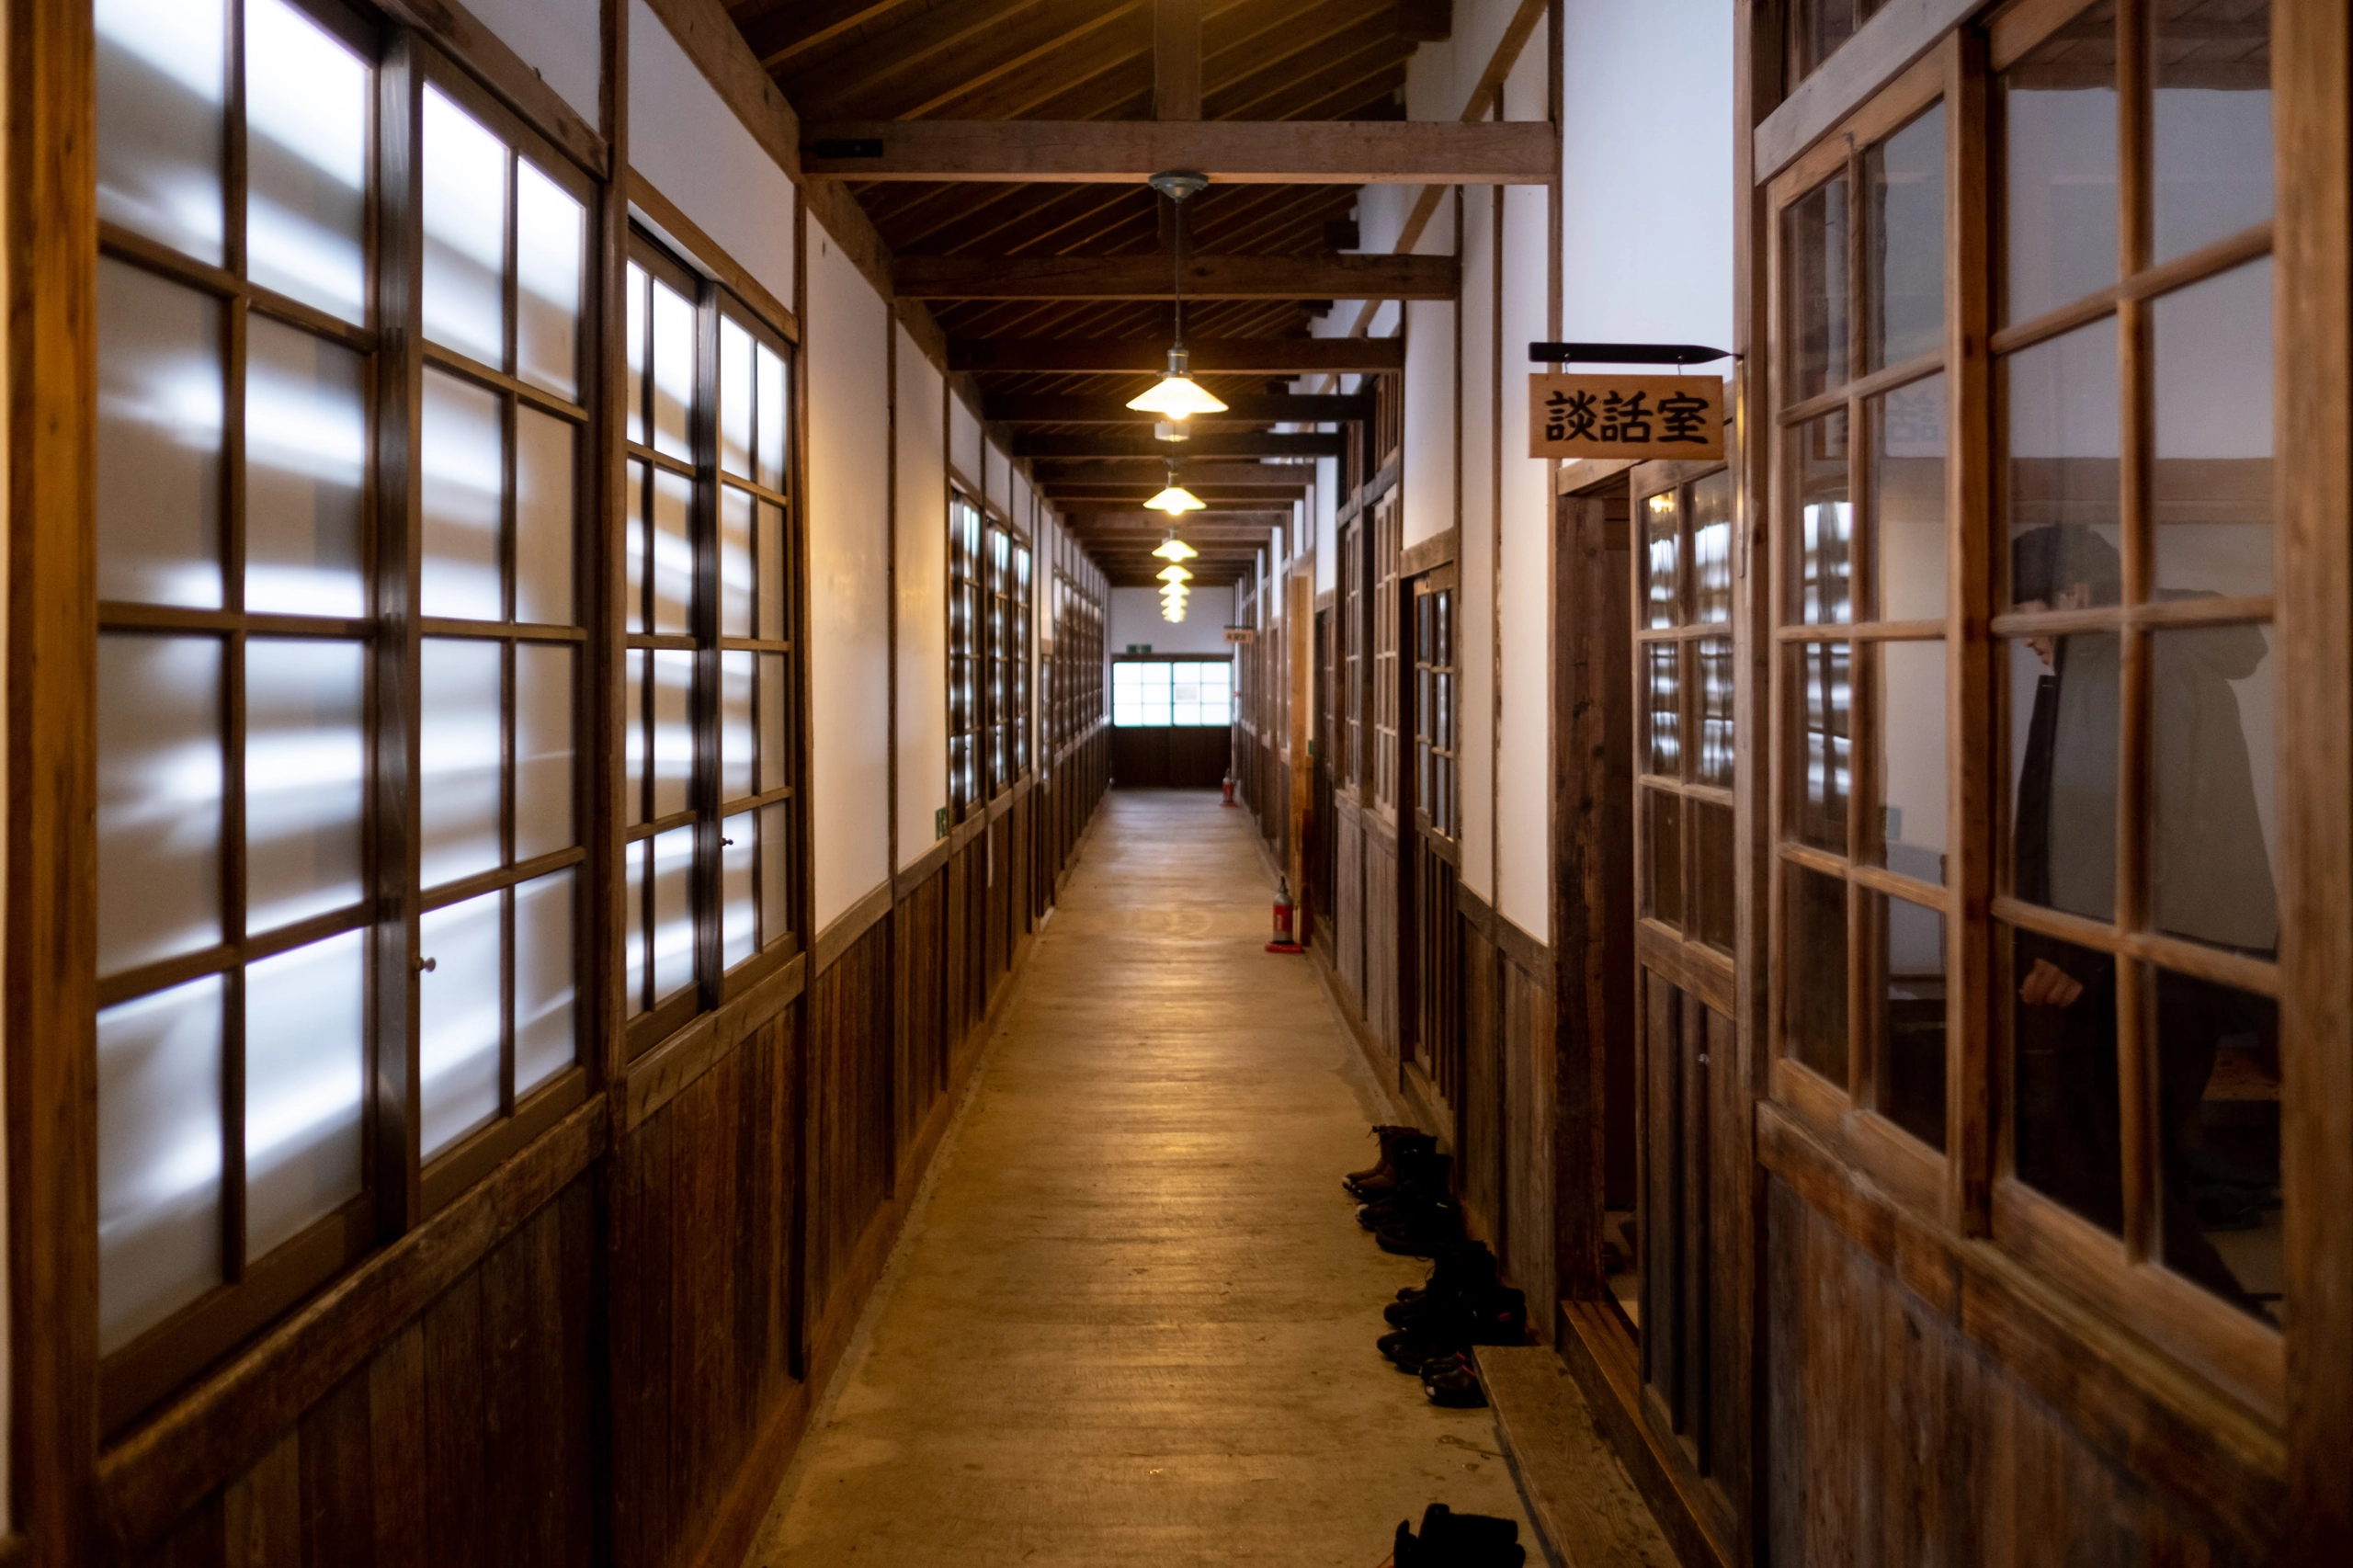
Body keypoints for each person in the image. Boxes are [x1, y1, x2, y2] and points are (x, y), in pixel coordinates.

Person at [2007, 524, 2276, 1315]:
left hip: (2147, 953)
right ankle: (2198, 1332)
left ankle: (2230, 1340)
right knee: (2123, 1166)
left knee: (2117, 1169)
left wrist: (2076, 951)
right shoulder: (2131, 655)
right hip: (2162, 948)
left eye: (2025, 612)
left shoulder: (2126, 663)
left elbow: (2134, 825)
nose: (2018, 633)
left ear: (2073, 596)